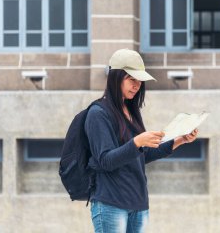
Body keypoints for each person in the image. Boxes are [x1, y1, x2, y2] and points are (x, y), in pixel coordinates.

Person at [85, 49, 199, 233]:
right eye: (131, 79)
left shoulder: (131, 112)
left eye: (140, 80)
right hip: (110, 203)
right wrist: (137, 142)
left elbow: (141, 156)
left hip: (138, 203)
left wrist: (180, 139)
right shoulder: (98, 113)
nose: (137, 85)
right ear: (115, 77)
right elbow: (105, 160)